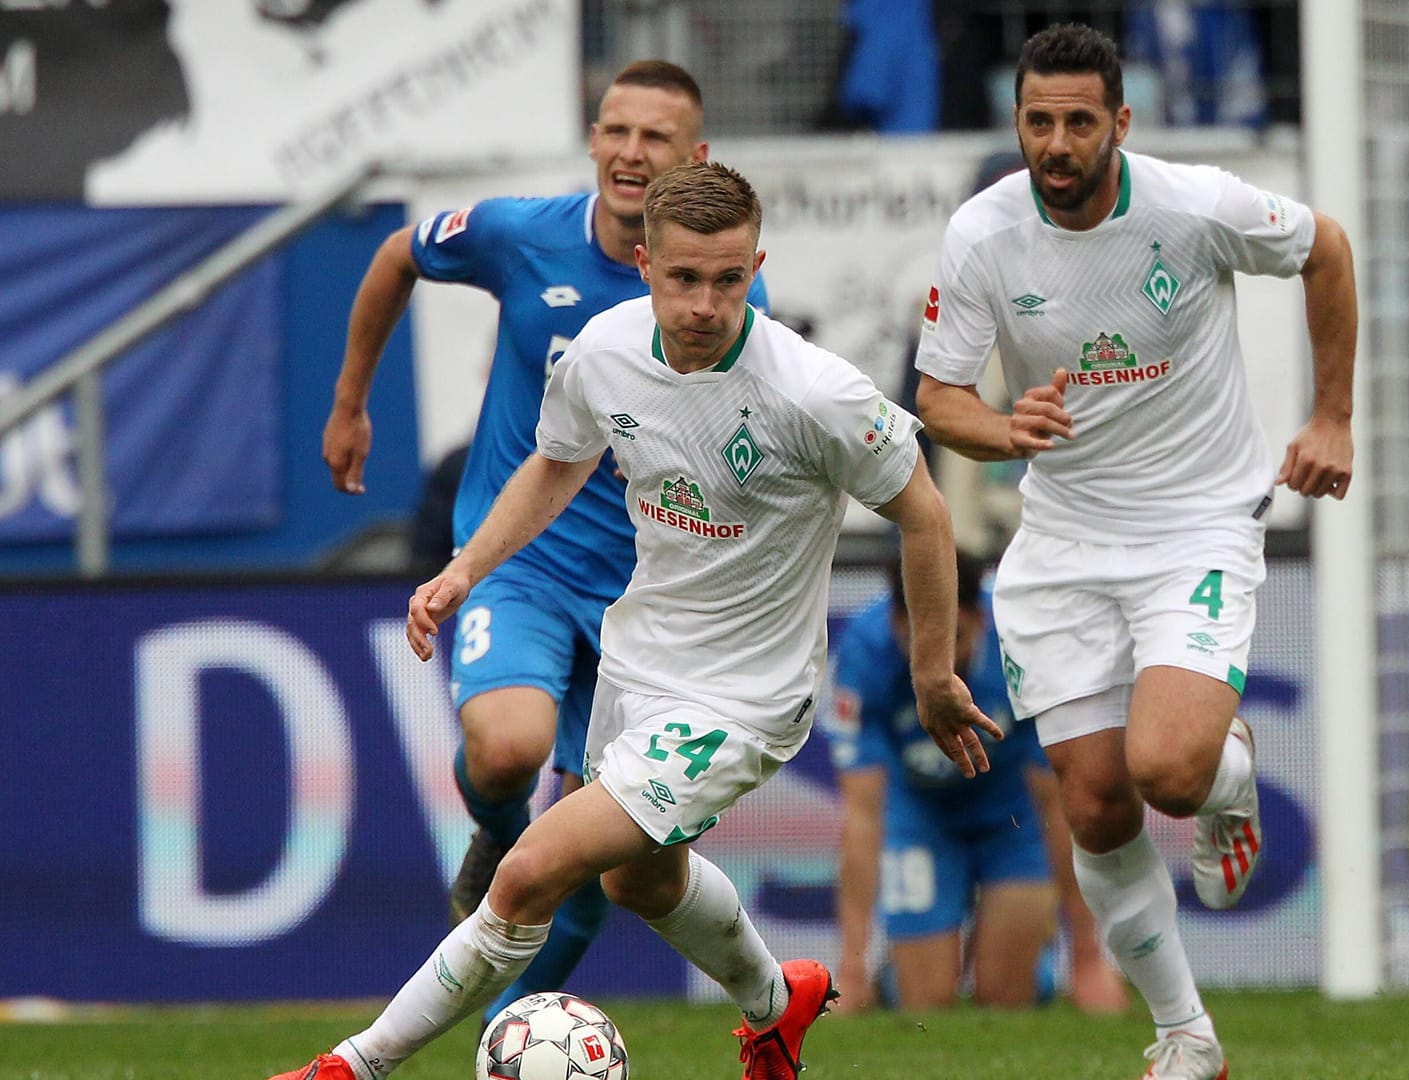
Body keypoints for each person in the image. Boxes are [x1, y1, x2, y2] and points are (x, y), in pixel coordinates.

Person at [273, 161, 998, 1080]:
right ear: (646, 263)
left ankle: (353, 1067)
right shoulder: (604, 349)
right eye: (684, 278)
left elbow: (925, 510)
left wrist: (933, 675)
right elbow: (554, 465)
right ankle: (779, 1005)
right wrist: (464, 570)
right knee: (638, 879)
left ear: (757, 266)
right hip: (638, 660)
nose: (704, 303)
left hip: (744, 696)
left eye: (728, 279)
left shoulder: (816, 393)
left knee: (532, 870)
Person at [912, 23, 1357, 1079]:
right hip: (1062, 537)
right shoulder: (982, 235)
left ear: (1120, 121)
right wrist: (1003, 429)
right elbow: (938, 397)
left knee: (1167, 770)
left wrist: (1331, 415)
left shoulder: (1192, 206)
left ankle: (1225, 774)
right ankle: (1186, 1035)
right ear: (1016, 124)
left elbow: (1325, 248)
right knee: (1097, 801)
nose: (1056, 143)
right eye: (1037, 122)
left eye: (1078, 121)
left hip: (1195, 521)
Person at [320, 60, 769, 1021]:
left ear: (695, 158)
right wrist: (352, 403)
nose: (631, 154)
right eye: (617, 130)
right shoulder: (521, 235)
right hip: (520, 557)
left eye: (656, 138)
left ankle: (506, 1026)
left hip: (643, 603)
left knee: (598, 852)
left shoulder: (721, 310)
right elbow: (397, 254)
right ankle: (489, 831)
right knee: (507, 752)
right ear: (594, 136)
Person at [828, 551, 1129, 1013]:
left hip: (1009, 820)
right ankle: (895, 975)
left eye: (953, 639)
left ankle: (1037, 968)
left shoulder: (1023, 645)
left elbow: (1058, 803)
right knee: (926, 1002)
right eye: (916, 640)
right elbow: (863, 816)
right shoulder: (864, 653)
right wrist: (850, 966)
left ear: (979, 619)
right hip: (920, 817)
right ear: (894, 622)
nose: (935, 660)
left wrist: (1088, 957)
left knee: (1005, 997)